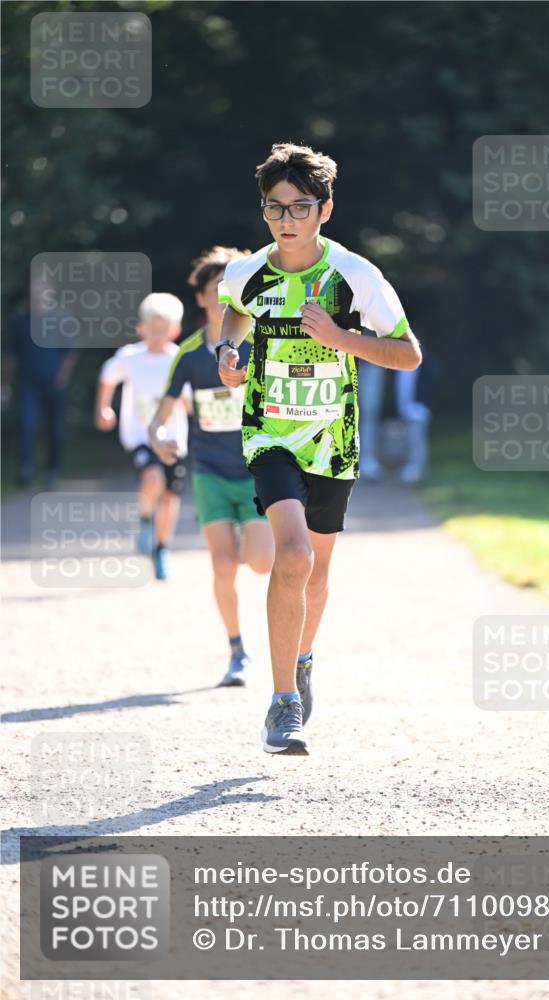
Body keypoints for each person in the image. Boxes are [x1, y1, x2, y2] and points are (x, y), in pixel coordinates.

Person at [216, 142, 422, 755]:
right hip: (269, 432)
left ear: (324, 210)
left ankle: (301, 658)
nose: (286, 219)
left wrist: (340, 337)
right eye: (274, 208)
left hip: (333, 440)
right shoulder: (246, 272)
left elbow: (408, 354)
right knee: (296, 555)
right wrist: (227, 355)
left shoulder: (356, 277)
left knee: (319, 570)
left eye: (299, 207)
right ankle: (283, 704)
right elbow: (234, 314)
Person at [148, 247, 274, 687]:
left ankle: (248, 535)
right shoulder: (187, 356)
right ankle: (237, 650)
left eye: (230, 292)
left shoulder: (260, 343)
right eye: (215, 293)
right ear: (201, 299)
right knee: (222, 565)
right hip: (209, 473)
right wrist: (161, 439)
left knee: (260, 564)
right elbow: (158, 420)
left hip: (258, 471)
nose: (224, 301)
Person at [94, 293, 189, 580]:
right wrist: (103, 408)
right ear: (141, 328)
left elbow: (189, 399)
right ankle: (146, 520)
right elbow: (108, 377)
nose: (157, 335)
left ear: (175, 330)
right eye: (152, 329)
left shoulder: (179, 359)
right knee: (152, 479)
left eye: (163, 330)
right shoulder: (130, 357)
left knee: (171, 497)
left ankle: (161, 549)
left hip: (173, 438)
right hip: (140, 437)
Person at [5, 277, 77, 489]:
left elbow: (70, 352)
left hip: (54, 384)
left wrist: (62, 376)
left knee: (55, 430)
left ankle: (51, 471)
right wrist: (5, 383)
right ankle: (26, 470)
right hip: (28, 383)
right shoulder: (20, 320)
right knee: (27, 426)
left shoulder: (61, 318)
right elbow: (10, 355)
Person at [357, 360, 431, 484]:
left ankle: (368, 461)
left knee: (368, 414)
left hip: (372, 360)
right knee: (364, 414)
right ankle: (364, 460)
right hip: (354, 360)